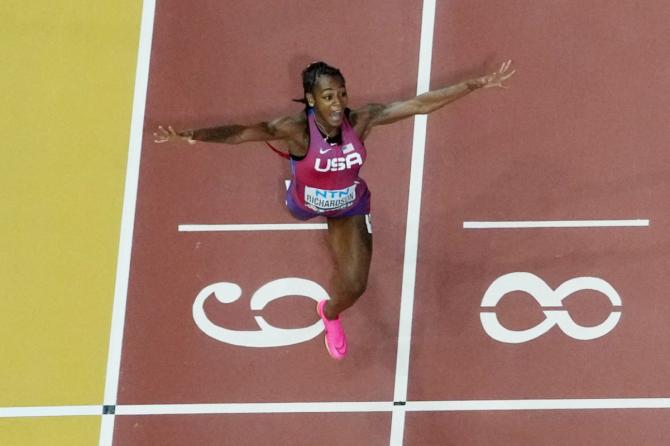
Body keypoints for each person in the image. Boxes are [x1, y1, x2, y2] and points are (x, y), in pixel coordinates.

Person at [154, 60, 515, 360]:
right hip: (303, 202)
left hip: (350, 206)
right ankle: (299, 174)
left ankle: (329, 313)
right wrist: (194, 135)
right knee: (301, 199)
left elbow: (419, 104)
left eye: (342, 93)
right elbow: (242, 133)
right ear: (311, 99)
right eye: (328, 96)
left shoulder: (362, 120)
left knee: (355, 286)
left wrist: (475, 84)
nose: (338, 103)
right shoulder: (295, 129)